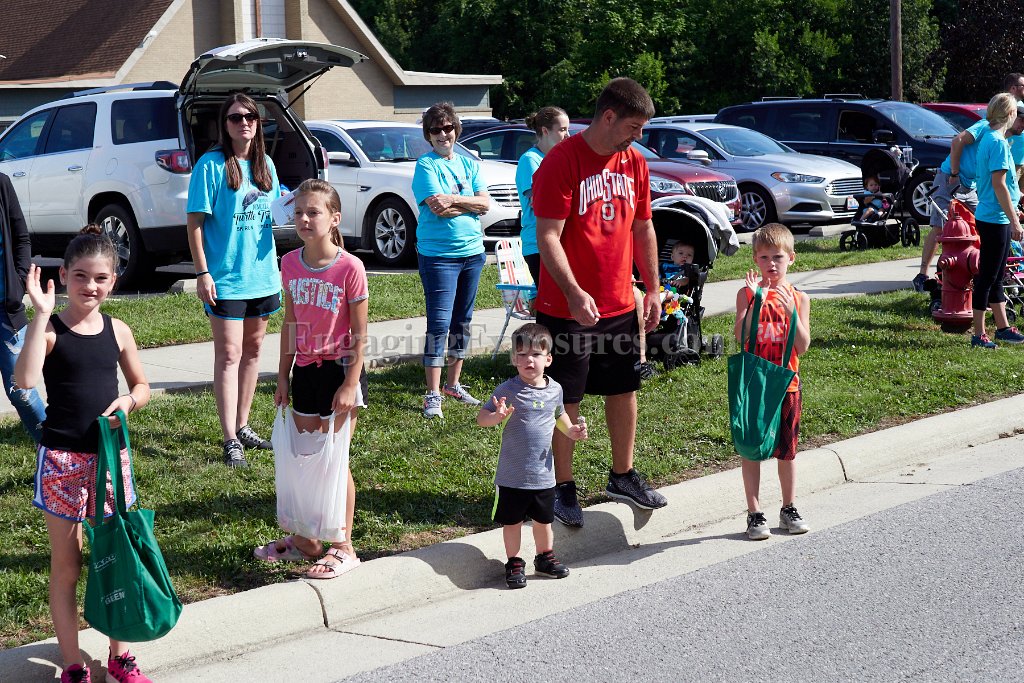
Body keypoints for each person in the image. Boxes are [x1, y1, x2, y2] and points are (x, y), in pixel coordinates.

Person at [15, 226, 153, 683]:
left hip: (109, 460)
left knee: (116, 557)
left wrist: (129, 402)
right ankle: (74, 664)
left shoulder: (119, 330)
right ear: (63, 276)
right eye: (80, 276)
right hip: (62, 462)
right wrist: (40, 314)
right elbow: (25, 379)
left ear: (113, 280)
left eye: (100, 278)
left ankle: (120, 657)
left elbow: (141, 385)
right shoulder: (51, 330)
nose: (90, 286)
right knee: (68, 564)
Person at [532, 77, 665, 528]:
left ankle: (622, 475)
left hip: (619, 303)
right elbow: (548, 236)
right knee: (565, 398)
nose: (638, 137)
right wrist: (573, 292)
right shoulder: (561, 161)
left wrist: (652, 288)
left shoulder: (635, 162)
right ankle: (562, 486)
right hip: (566, 307)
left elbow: (643, 227)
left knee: (623, 389)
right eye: (632, 127)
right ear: (608, 117)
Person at [256, 179, 366, 578]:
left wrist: (350, 383)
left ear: (334, 218)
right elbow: (290, 323)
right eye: (299, 212)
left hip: (339, 372)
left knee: (334, 461)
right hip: (304, 371)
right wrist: (283, 376)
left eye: (313, 212)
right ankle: (306, 541)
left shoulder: (349, 267)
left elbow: (360, 333)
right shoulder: (289, 263)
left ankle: (344, 546)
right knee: (305, 460)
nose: (304, 219)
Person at [186, 93, 282, 467]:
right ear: (224, 125)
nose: (244, 122)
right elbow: (194, 224)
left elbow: (275, 212)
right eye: (236, 117)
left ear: (258, 123)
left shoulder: (266, 164)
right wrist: (202, 273)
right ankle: (229, 439)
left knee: (253, 351)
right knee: (229, 354)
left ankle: (243, 425)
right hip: (225, 278)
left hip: (263, 276)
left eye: (250, 116)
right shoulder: (209, 166)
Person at [476, 323, 588, 588]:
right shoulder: (507, 390)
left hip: (543, 475)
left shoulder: (555, 389)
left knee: (544, 521)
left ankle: (545, 558)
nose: (529, 360)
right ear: (514, 359)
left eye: (536, 354)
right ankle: (514, 562)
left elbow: (559, 415)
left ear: (548, 359)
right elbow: (482, 418)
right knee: (512, 522)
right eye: (522, 354)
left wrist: (571, 431)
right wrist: (496, 416)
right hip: (512, 475)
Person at [412, 102, 491, 419]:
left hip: (472, 253)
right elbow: (438, 208)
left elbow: (485, 204)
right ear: (428, 135)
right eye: (436, 129)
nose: (443, 134)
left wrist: (456, 199)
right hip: (438, 257)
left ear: (456, 130)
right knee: (439, 324)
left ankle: (453, 384)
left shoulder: (470, 165)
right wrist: (471, 205)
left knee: (463, 321)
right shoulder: (425, 166)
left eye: (448, 128)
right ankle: (432, 394)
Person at [733, 223, 811, 540]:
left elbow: (802, 346)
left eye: (778, 257)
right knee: (752, 448)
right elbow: (741, 336)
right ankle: (754, 513)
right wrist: (756, 301)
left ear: (791, 258)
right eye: (764, 257)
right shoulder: (747, 295)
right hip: (755, 384)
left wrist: (791, 312)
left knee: (786, 451)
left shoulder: (799, 298)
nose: (771, 264)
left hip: (787, 384)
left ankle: (788, 507)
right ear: (755, 259)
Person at [915, 76, 1024, 289]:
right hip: (949, 178)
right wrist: (955, 173)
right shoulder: (985, 127)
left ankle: (977, 271)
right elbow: (957, 141)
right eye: (1021, 120)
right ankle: (922, 274)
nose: (1023, 125)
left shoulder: (1003, 139)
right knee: (940, 227)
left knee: (982, 224)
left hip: (970, 185)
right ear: (1011, 116)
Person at [967, 93, 1024, 348]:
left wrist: (1014, 205)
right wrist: (1014, 220)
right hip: (995, 218)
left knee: (998, 275)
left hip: (992, 214)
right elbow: (999, 185)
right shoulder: (998, 143)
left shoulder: (989, 138)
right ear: (1010, 114)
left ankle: (1002, 328)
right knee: (987, 277)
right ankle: (979, 334)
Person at [0, 171, 46, 441]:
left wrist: (18, 283)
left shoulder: (1, 183)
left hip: (5, 311)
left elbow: (21, 238)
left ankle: (56, 452)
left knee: (22, 391)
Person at [516, 107, 571, 285]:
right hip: (538, 244)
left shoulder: (560, 159)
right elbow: (539, 200)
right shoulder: (530, 160)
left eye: (568, 129)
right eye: (562, 130)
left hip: (560, 240)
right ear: (545, 131)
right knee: (552, 298)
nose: (567, 135)